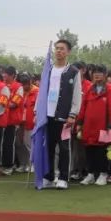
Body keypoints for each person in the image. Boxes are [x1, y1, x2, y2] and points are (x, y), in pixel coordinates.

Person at [43, 40, 82, 189]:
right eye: (57, 48)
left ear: (68, 52)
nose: (59, 51)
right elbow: (41, 94)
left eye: (62, 49)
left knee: (64, 147)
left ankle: (63, 177)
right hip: (47, 115)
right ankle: (48, 176)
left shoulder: (73, 71)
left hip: (64, 116)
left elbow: (77, 95)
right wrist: (37, 112)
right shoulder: (48, 70)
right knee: (48, 147)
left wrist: (73, 114)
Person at [77, 65, 111, 186]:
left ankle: (103, 174)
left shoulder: (110, 90)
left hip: (105, 127)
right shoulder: (89, 90)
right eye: (95, 73)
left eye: (100, 73)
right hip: (89, 127)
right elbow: (83, 108)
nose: (97, 75)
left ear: (105, 75)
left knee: (103, 151)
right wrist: (80, 123)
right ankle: (91, 174)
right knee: (89, 150)